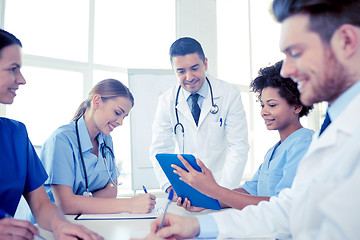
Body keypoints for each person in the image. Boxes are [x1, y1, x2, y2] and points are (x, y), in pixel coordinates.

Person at [142, 0, 360, 239]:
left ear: (346, 41)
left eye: (296, 53)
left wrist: (215, 191)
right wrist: (197, 225)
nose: (286, 71)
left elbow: (241, 151)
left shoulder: (323, 136)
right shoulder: (333, 128)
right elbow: (291, 207)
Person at [0, 28, 102, 240]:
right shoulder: (61, 138)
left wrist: (60, 225)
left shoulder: (16, 135)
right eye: (12, 69)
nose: (22, 79)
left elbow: (41, 204)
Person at [174, 60, 314, 212]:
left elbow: (282, 204)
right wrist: (205, 200)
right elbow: (248, 192)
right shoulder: (274, 151)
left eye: (272, 105)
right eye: (262, 105)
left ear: (297, 106)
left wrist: (213, 190)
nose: (263, 112)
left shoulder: (304, 144)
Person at [149, 37, 249, 198]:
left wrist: (223, 193)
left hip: (222, 183)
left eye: (194, 68)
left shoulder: (229, 94)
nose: (189, 77)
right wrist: (170, 187)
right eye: (181, 71)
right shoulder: (167, 100)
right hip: (186, 188)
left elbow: (238, 146)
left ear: (205, 64)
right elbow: (160, 148)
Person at [40, 79, 156, 214]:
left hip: (86, 222)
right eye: (118, 113)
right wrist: (128, 204)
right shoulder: (61, 140)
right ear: (97, 101)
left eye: (124, 117)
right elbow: (66, 204)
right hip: (51, 226)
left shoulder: (106, 140)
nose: (120, 122)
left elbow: (112, 191)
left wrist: (80, 202)